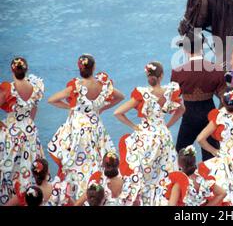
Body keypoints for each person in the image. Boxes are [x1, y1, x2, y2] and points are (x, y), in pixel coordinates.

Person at [47, 54, 124, 200]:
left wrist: (71, 107)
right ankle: (95, 191)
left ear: (79, 68)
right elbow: (121, 96)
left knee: (76, 163)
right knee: (96, 160)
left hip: (77, 128)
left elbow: (52, 100)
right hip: (96, 127)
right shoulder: (103, 85)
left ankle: (76, 194)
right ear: (94, 68)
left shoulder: (76, 86)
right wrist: (103, 108)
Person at [114, 61, 184, 206]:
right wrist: (167, 125)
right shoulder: (170, 92)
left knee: (143, 172)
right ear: (162, 76)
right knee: (164, 172)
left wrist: (134, 126)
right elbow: (182, 110)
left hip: (146, 136)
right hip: (163, 135)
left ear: (148, 76)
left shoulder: (142, 94)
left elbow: (118, 112)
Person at [171, 32, 226, 161]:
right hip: (210, 116)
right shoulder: (216, 69)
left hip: (188, 118)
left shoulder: (177, 72)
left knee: (181, 152)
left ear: (185, 50)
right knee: (212, 157)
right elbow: (224, 98)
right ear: (202, 47)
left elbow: (173, 100)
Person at [0, 57, 45, 205]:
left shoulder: (9, 88)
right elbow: (34, 110)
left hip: (12, 130)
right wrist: (28, 124)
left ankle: (9, 197)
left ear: (12, 70)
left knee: (9, 164)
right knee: (27, 164)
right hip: (29, 129)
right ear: (26, 70)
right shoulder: (36, 87)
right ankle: (27, 196)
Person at [163, 146, 227, 206]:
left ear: (179, 164)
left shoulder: (179, 184)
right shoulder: (203, 177)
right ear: (194, 161)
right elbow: (222, 193)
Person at [74, 152, 142, 206]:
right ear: (118, 165)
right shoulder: (129, 183)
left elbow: (77, 204)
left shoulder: (96, 184)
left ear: (103, 165)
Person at [5, 158, 76, 206]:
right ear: (48, 171)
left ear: (33, 173)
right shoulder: (60, 189)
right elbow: (75, 204)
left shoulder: (26, 192)